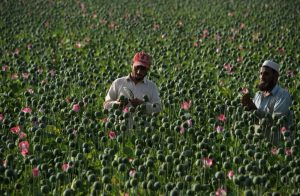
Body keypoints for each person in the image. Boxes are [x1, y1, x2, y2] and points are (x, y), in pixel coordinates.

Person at [242, 60, 293, 144]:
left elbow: (277, 122)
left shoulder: (283, 95)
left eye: (266, 74)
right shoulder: (258, 95)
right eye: (261, 73)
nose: (262, 77)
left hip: (277, 146)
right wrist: (246, 107)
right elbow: (254, 121)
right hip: (259, 144)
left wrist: (253, 107)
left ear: (275, 76)